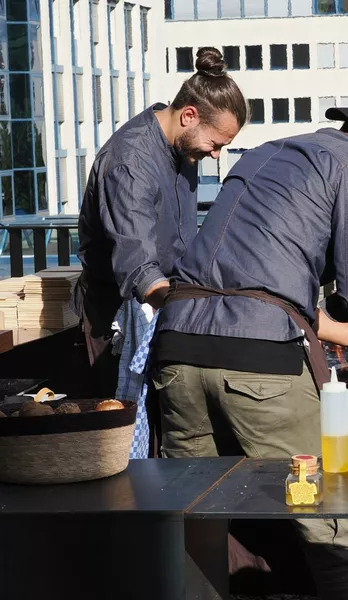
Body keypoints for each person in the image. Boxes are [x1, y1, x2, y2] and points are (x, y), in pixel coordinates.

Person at [149, 91, 348, 599]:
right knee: (327, 521)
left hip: (177, 349)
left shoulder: (268, 153)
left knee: (199, 522)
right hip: (259, 364)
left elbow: (261, 289)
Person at [72, 47, 246, 457]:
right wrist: (194, 306)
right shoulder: (129, 162)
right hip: (118, 313)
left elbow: (183, 240)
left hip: (166, 299)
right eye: (215, 143)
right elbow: (139, 269)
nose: (216, 154)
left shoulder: (182, 145)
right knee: (125, 432)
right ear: (188, 115)